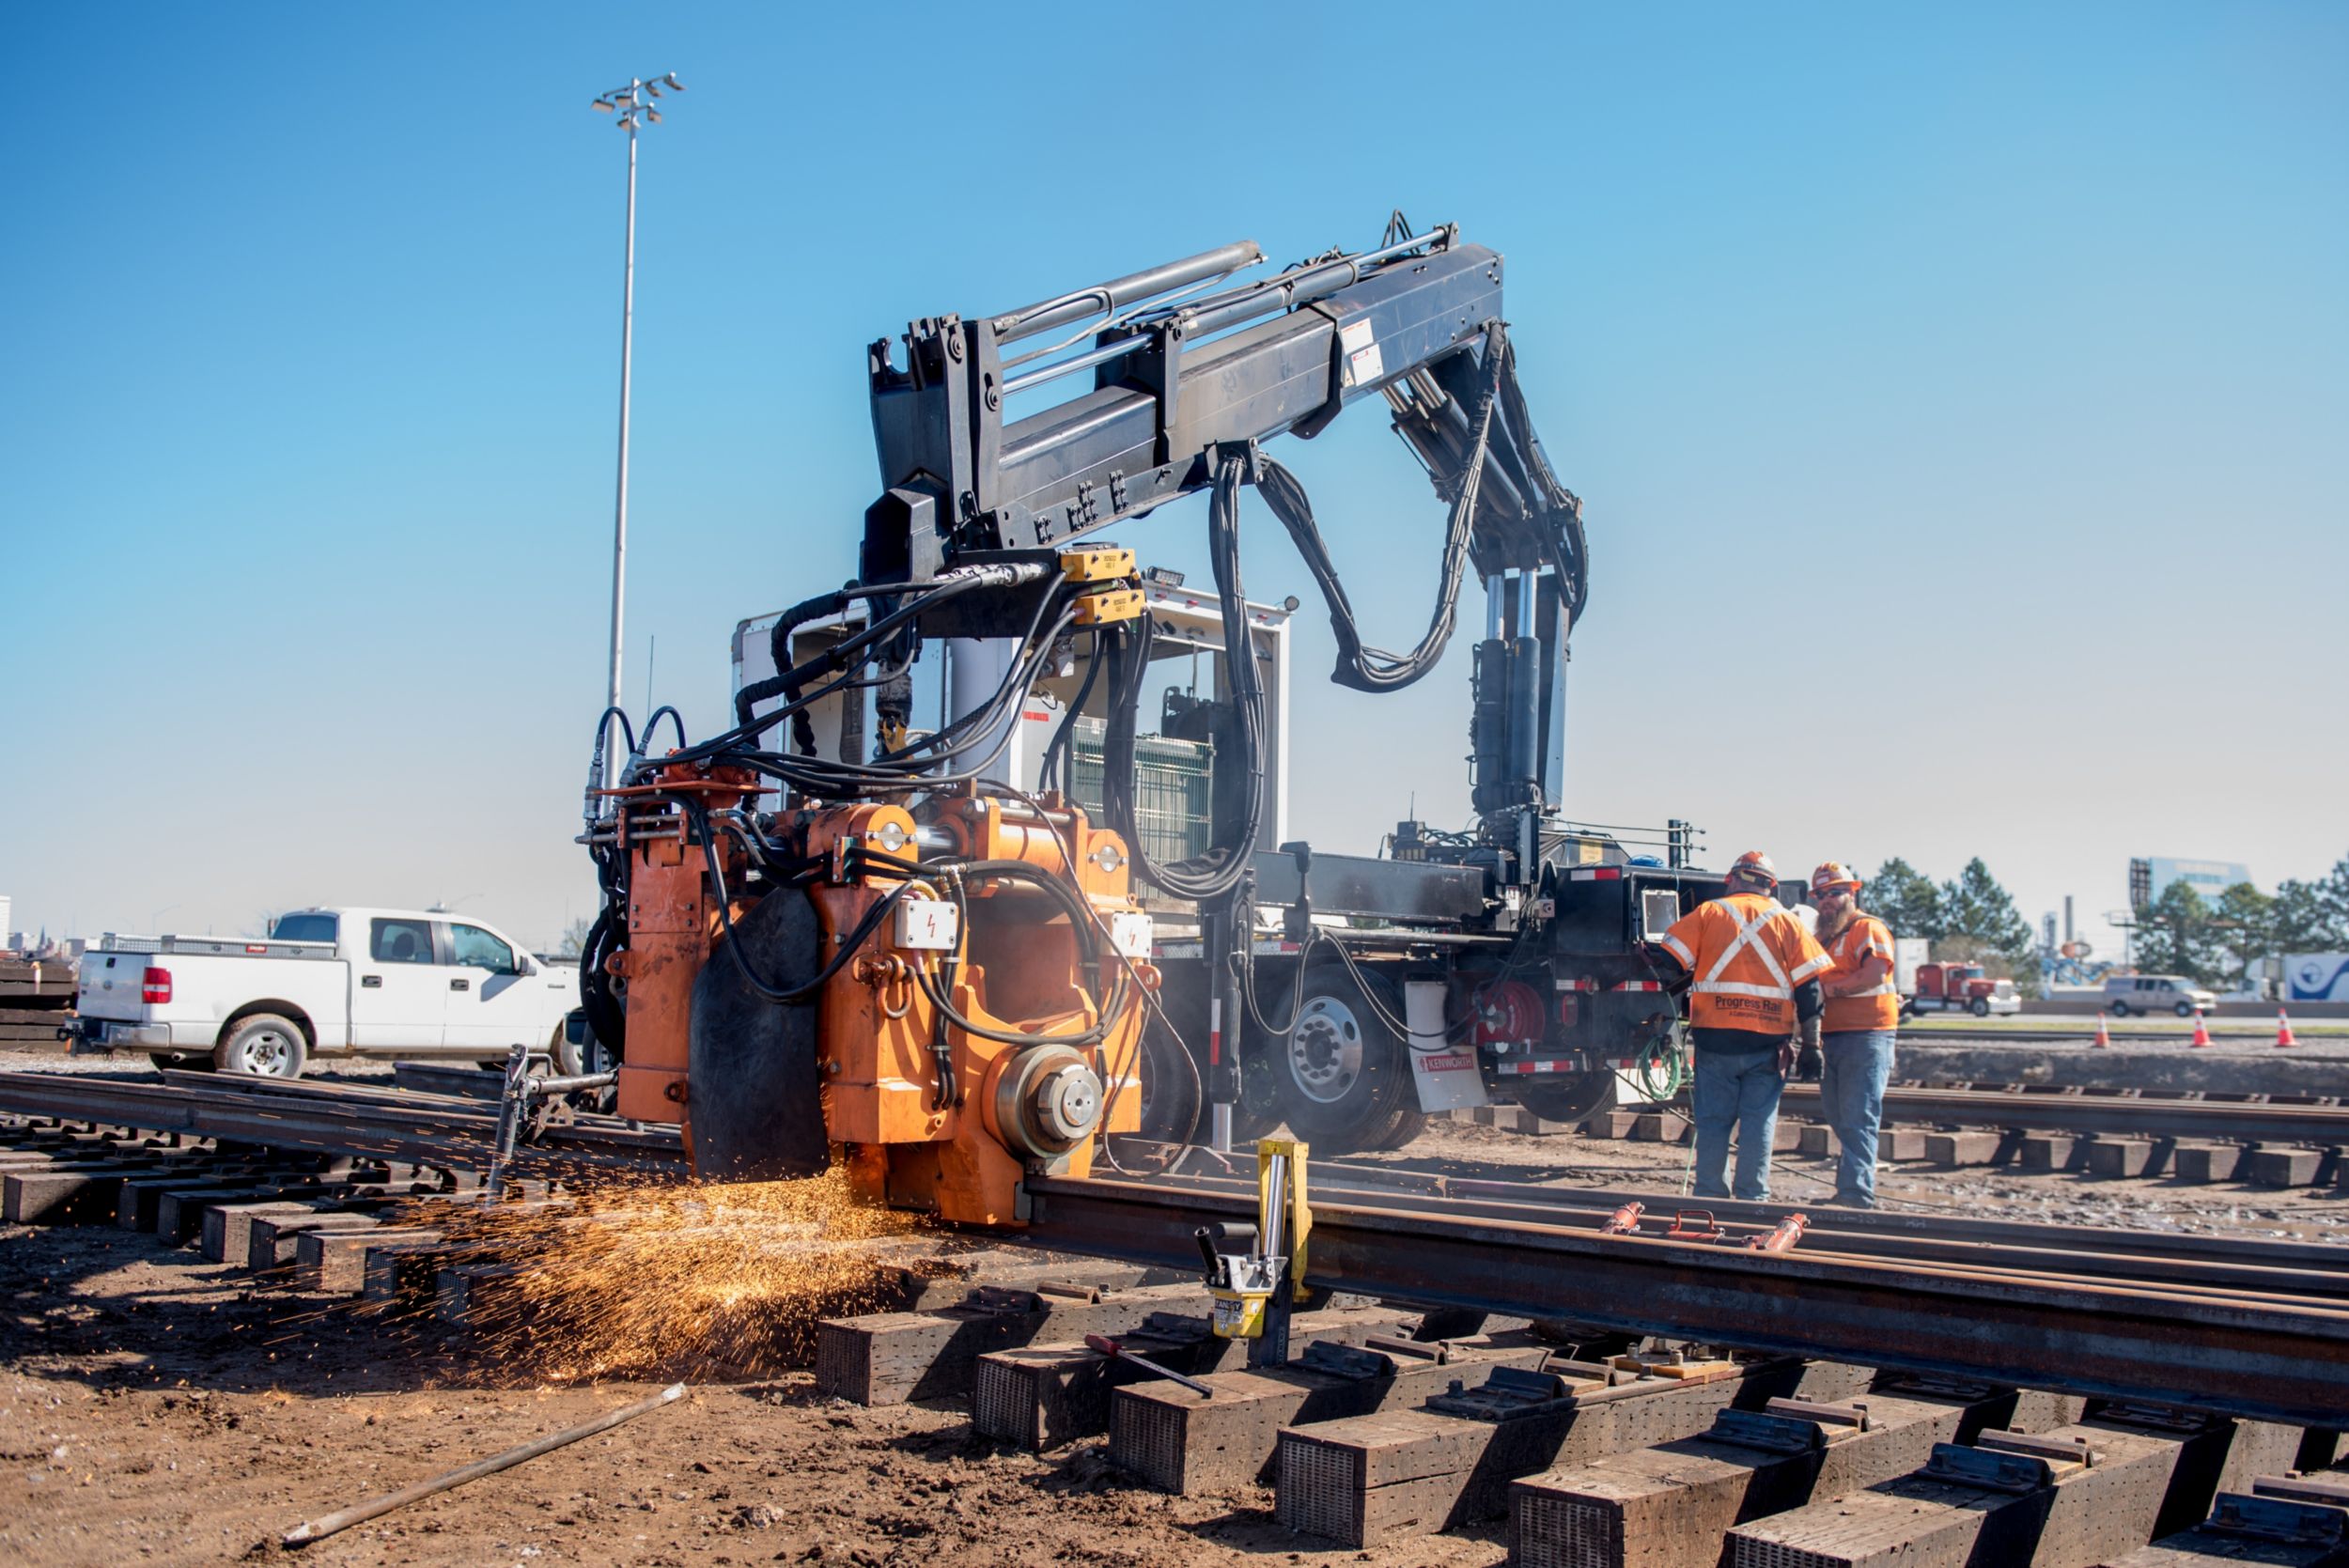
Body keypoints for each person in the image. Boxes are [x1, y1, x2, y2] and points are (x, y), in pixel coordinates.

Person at [1651, 850, 1831, 1201]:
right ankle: (1753, 1201)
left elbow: (1669, 960)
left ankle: (1710, 1198)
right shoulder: (1789, 923)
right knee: (1758, 1125)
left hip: (1715, 1041)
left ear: (1731, 879)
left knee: (1713, 1124)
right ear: (1771, 886)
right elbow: (1811, 989)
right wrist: (1813, 1046)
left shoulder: (1710, 912)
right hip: (1767, 1045)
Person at [1809, 862, 1900, 1207]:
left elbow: (1874, 974)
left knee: (1858, 1114)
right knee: (1838, 1114)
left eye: (1835, 892)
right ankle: (1849, 1187)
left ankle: (1856, 1194)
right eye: (1821, 894)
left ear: (1852, 893)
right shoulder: (1824, 937)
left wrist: (1828, 993)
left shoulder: (1867, 928)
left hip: (1867, 1034)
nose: (1828, 900)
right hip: (1834, 1036)